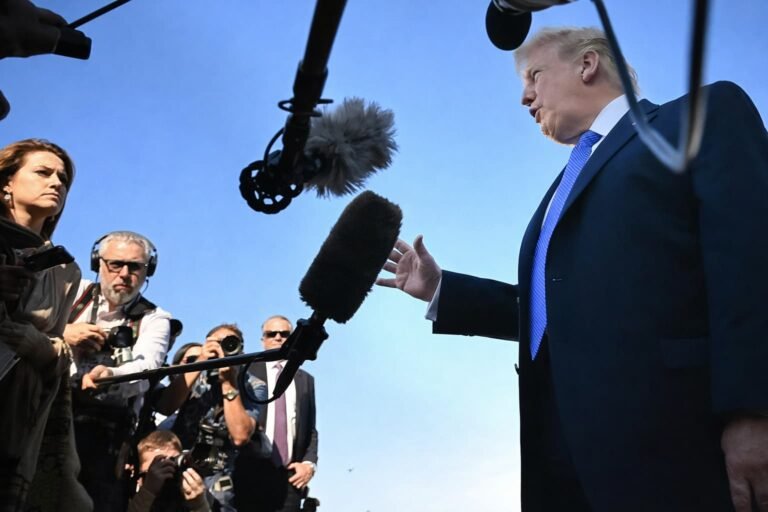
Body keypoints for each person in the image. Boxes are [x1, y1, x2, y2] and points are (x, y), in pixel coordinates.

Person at [377, 27, 768, 512]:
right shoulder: (558, 192)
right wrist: (442, 290)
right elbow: (556, 310)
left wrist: (754, 410)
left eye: (534, 76)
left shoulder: (701, 116)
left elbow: (751, 256)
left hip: (681, 446)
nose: (525, 97)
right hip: (560, 460)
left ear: (587, 64)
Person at [0, 138, 92, 510]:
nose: (56, 183)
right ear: (6, 181)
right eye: (43, 172)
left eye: (63, 178)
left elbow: (56, 347)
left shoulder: (65, 271)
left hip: (18, 414)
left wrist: (43, 348)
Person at [66, 231, 172, 511]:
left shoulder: (155, 318)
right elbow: (34, 326)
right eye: (116, 264)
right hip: (51, 417)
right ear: (98, 263)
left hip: (106, 440)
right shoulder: (72, 293)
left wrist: (110, 377)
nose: (124, 274)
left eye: (135, 266)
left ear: (148, 270)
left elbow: (147, 367)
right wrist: (66, 333)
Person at [167, 323, 267, 511]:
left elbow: (240, 436)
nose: (222, 350)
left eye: (229, 344)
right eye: (216, 343)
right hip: (180, 464)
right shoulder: (195, 373)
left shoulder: (253, 385)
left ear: (240, 350)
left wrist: (228, 384)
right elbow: (166, 406)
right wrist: (201, 360)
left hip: (219, 475)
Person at [234, 315, 318, 512]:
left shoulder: (305, 379)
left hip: (289, 479)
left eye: (285, 334)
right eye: (272, 334)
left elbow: (310, 429)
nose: (278, 338)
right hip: (247, 473)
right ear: (263, 340)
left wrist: (309, 464)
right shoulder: (245, 371)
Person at [127, 430, 210, 512]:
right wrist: (148, 491)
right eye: (155, 469)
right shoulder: (126, 496)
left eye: (170, 465)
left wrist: (199, 506)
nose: (162, 476)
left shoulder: (193, 495)